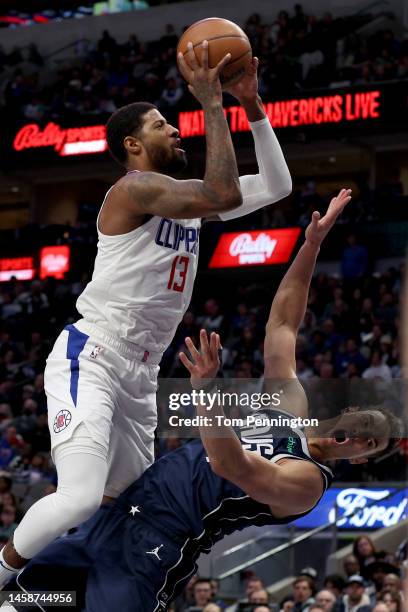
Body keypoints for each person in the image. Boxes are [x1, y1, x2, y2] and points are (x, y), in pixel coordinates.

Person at [3, 191, 401, 612]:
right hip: (123, 511)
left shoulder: (308, 483)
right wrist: (312, 245)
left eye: (370, 443)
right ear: (352, 410)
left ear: (361, 459)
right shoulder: (289, 405)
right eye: (368, 424)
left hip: (157, 549)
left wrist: (205, 392)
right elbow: (283, 324)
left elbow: (229, 464)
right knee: (25, 602)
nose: (362, 435)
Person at [0, 42, 292, 585]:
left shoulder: (188, 199)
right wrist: (210, 103)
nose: (175, 130)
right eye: (163, 125)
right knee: (79, 497)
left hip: (141, 373)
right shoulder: (133, 190)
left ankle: (51, 595)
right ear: (134, 144)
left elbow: (277, 186)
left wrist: (250, 104)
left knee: (119, 512)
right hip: (94, 356)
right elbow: (224, 190)